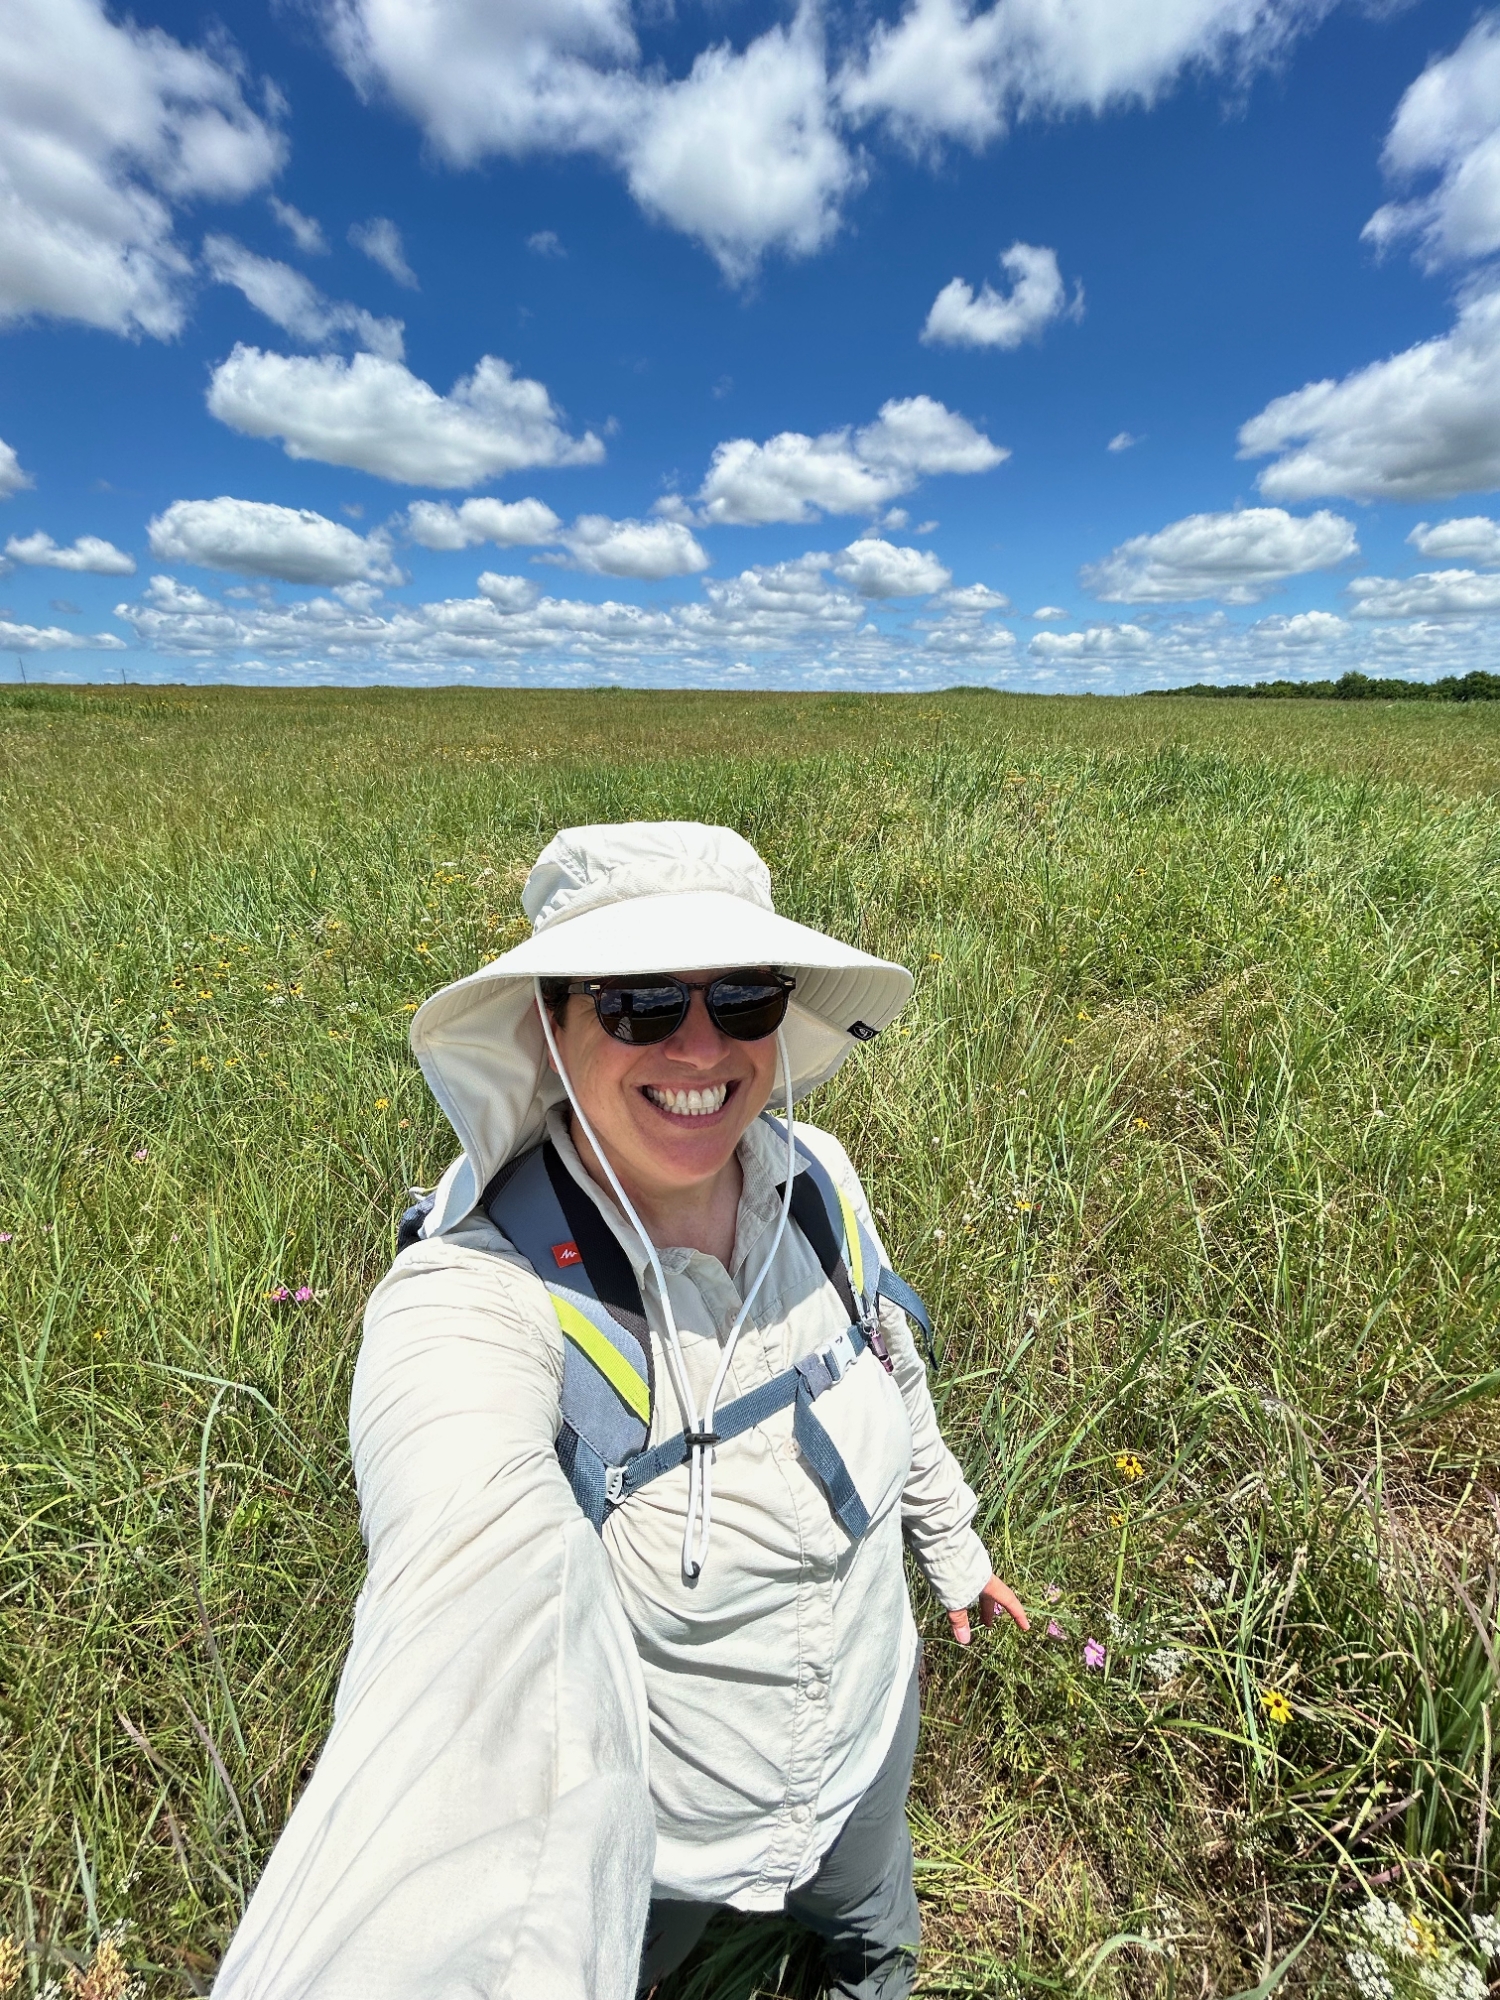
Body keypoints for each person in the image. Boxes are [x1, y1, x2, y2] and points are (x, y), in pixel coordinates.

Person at [214, 821, 1028, 2000]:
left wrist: (953, 1548)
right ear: (551, 1023)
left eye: (744, 995)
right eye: (639, 1002)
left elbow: (890, 1363)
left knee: (873, 1935)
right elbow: (459, 1620)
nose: (701, 1043)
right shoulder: (481, 1294)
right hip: (663, 1831)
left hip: (863, 1726)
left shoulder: (818, 1181)